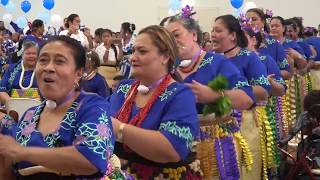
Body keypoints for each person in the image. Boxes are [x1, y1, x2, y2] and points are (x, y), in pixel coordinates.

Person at [0, 35, 114, 179]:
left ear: (78, 74)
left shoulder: (92, 106)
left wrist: (23, 152)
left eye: (60, 61)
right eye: (43, 60)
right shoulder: (31, 114)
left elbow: (92, 159)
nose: (48, 68)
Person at [109, 25, 201, 179]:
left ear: (165, 56)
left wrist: (120, 129)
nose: (132, 57)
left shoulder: (180, 95)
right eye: (133, 51)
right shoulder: (124, 88)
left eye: (142, 51)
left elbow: (173, 149)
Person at [246, 8, 292, 79]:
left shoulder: (274, 44)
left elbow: (287, 73)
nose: (250, 23)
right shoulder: (239, 44)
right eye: (247, 20)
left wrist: (269, 73)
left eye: (254, 19)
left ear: (263, 22)